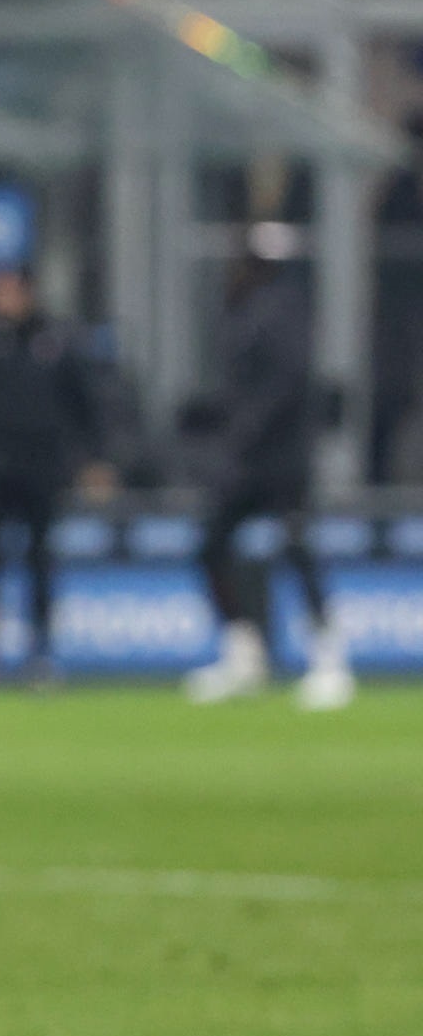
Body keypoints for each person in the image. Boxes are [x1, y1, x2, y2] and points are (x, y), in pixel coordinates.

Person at [184, 241, 350, 710]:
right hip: (250, 458)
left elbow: (286, 385)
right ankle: (245, 654)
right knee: (212, 544)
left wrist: (241, 432)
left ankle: (329, 659)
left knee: (297, 548)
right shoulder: (246, 311)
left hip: (280, 459)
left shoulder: (281, 311)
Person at [0, 266, 112, 687]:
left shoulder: (55, 340)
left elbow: (84, 404)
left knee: (40, 562)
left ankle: (41, 654)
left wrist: (93, 460)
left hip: (41, 468)